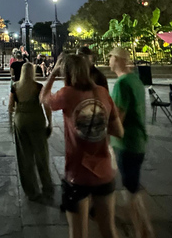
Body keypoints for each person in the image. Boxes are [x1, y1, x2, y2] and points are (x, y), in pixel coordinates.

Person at [42, 55, 124, 238]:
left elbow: (44, 98)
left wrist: (53, 74)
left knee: (78, 233)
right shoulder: (103, 92)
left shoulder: (67, 93)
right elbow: (119, 131)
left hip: (78, 173)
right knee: (109, 230)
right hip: (104, 171)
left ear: (67, 73)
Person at [108, 47, 154, 238]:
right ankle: (144, 228)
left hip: (126, 143)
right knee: (132, 185)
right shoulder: (135, 80)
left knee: (130, 191)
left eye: (111, 56)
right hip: (138, 140)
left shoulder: (122, 84)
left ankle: (142, 230)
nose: (109, 60)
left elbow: (118, 118)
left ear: (118, 59)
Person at [9, 62, 54, 201]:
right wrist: (50, 122)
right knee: (42, 155)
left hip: (21, 120)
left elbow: (10, 106)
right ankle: (47, 187)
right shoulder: (38, 87)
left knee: (24, 157)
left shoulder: (15, 86)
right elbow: (46, 105)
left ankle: (31, 190)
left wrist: (11, 122)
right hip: (36, 120)